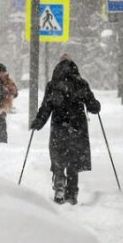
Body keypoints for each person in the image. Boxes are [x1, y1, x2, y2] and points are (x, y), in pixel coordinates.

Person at [30, 55, 101, 205]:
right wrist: (96, 105)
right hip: (77, 128)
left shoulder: (53, 85)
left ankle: (59, 186)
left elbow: (46, 107)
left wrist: (38, 122)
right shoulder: (81, 83)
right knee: (74, 161)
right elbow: (93, 106)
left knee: (58, 158)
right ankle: (72, 194)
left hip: (59, 127)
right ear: (74, 67)